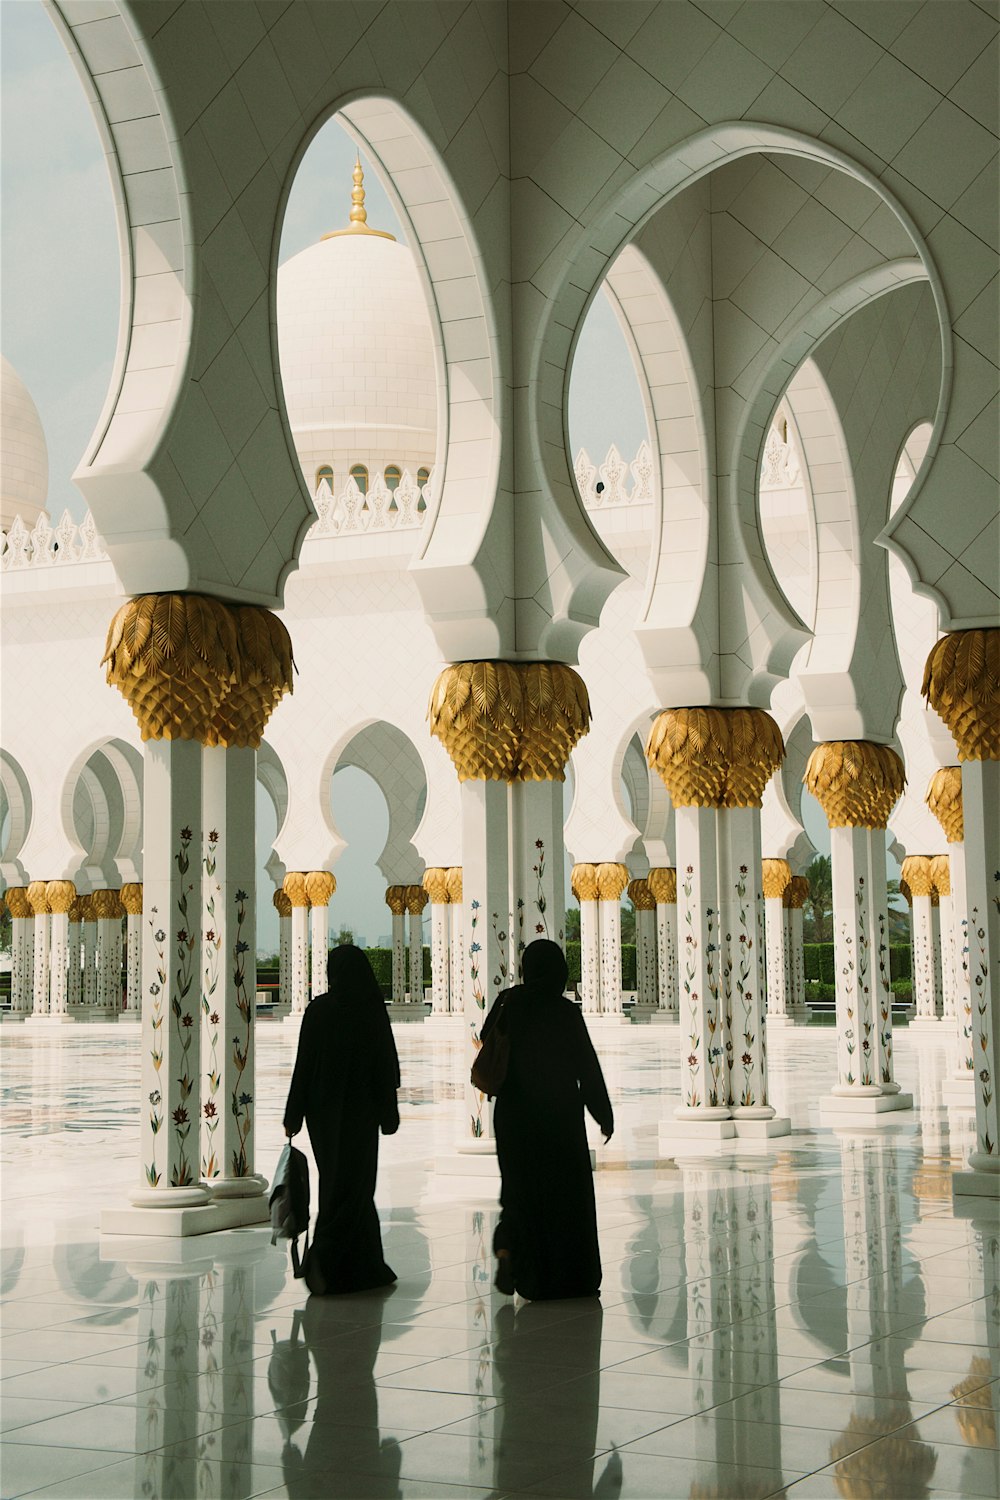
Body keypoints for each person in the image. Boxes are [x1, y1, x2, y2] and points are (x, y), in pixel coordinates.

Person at [480, 937, 614, 1300]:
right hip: (558, 1118)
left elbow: (485, 1037)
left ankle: (510, 1252)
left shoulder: (509, 1002)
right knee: (562, 1196)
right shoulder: (564, 1012)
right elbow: (586, 1067)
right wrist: (603, 1114)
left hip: (514, 1116)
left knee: (519, 1192)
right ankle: (567, 1275)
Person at [284, 944, 400, 1295]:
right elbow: (386, 1066)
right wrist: (388, 1113)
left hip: (324, 1114)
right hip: (361, 1113)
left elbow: (304, 1067)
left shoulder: (319, 1010)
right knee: (358, 1185)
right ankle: (339, 1264)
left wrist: (294, 1114)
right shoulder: (371, 1009)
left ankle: (339, 1264)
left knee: (334, 1181)